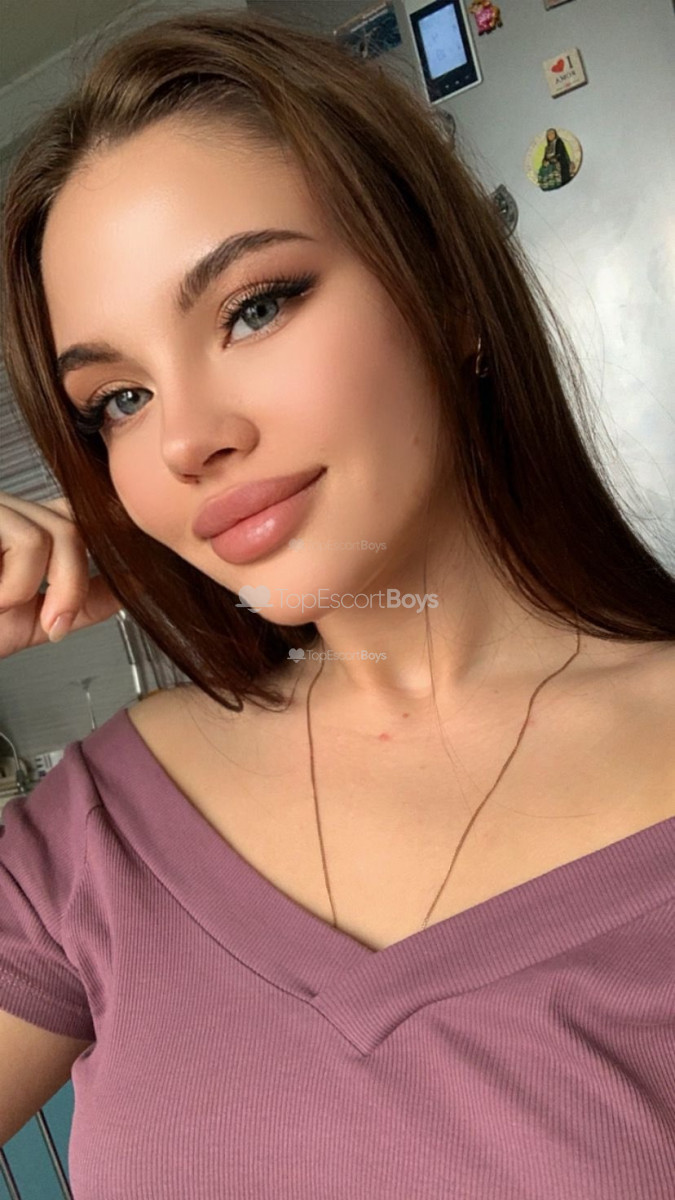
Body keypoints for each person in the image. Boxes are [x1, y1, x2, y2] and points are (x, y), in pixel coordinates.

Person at [0, 10, 673, 1197]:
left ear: (447, 292)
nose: (189, 441)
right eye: (120, 400)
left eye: (254, 307)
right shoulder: (98, 828)